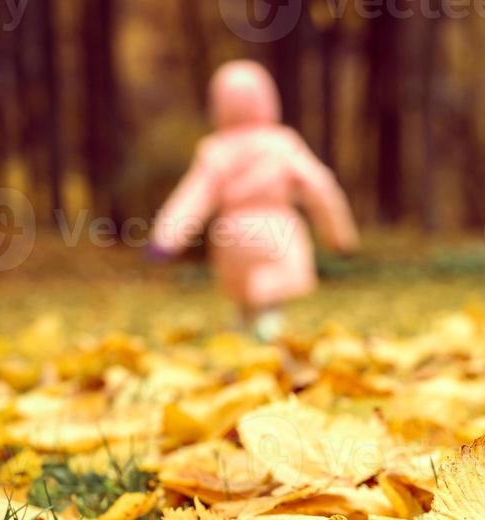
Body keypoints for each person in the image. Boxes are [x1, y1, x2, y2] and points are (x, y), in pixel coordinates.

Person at [150, 60, 358, 342]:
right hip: (277, 230)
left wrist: (167, 238)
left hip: (232, 234)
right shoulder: (282, 143)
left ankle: (244, 326)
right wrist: (340, 236)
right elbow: (320, 187)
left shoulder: (216, 149)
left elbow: (192, 197)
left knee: (245, 291)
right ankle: (268, 326)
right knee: (271, 291)